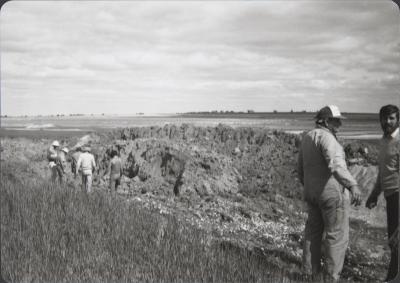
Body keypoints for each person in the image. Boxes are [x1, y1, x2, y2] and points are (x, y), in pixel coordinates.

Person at [297, 105, 362, 282]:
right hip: (331, 195)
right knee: (336, 236)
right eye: (336, 120)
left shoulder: (307, 137)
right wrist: (353, 185)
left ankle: (310, 273)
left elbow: (300, 169)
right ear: (326, 121)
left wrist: (309, 186)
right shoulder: (329, 140)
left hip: (312, 194)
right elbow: (337, 166)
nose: (340, 124)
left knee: (312, 233)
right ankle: (331, 277)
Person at [366, 104, 399, 282]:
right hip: (390, 195)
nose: (387, 122)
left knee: (396, 239)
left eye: (392, 118)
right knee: (393, 239)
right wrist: (374, 194)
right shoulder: (384, 140)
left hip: (398, 195)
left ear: (398, 119)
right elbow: (383, 171)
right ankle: (393, 276)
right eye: (385, 118)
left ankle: (393, 277)